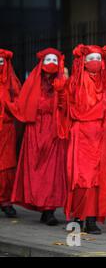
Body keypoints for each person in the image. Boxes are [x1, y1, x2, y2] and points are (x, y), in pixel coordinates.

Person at [8, 48, 68, 226]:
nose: (51, 63)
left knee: (52, 171)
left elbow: (68, 105)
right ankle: (41, 205)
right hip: (35, 129)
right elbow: (22, 104)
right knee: (36, 170)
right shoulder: (32, 82)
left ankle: (49, 210)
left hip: (53, 129)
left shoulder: (62, 82)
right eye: (48, 59)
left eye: (54, 60)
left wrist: (62, 92)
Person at [65, 44, 106, 235]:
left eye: (98, 59)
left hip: (102, 137)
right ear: (83, 62)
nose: (95, 62)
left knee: (98, 179)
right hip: (83, 135)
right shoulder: (75, 82)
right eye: (91, 59)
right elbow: (66, 105)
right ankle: (78, 217)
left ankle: (92, 219)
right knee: (83, 178)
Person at [0, 49, 21, 218]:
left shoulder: (12, 83)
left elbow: (20, 103)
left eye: (2, 62)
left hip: (6, 130)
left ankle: (5, 200)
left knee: (6, 165)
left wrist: (9, 106)